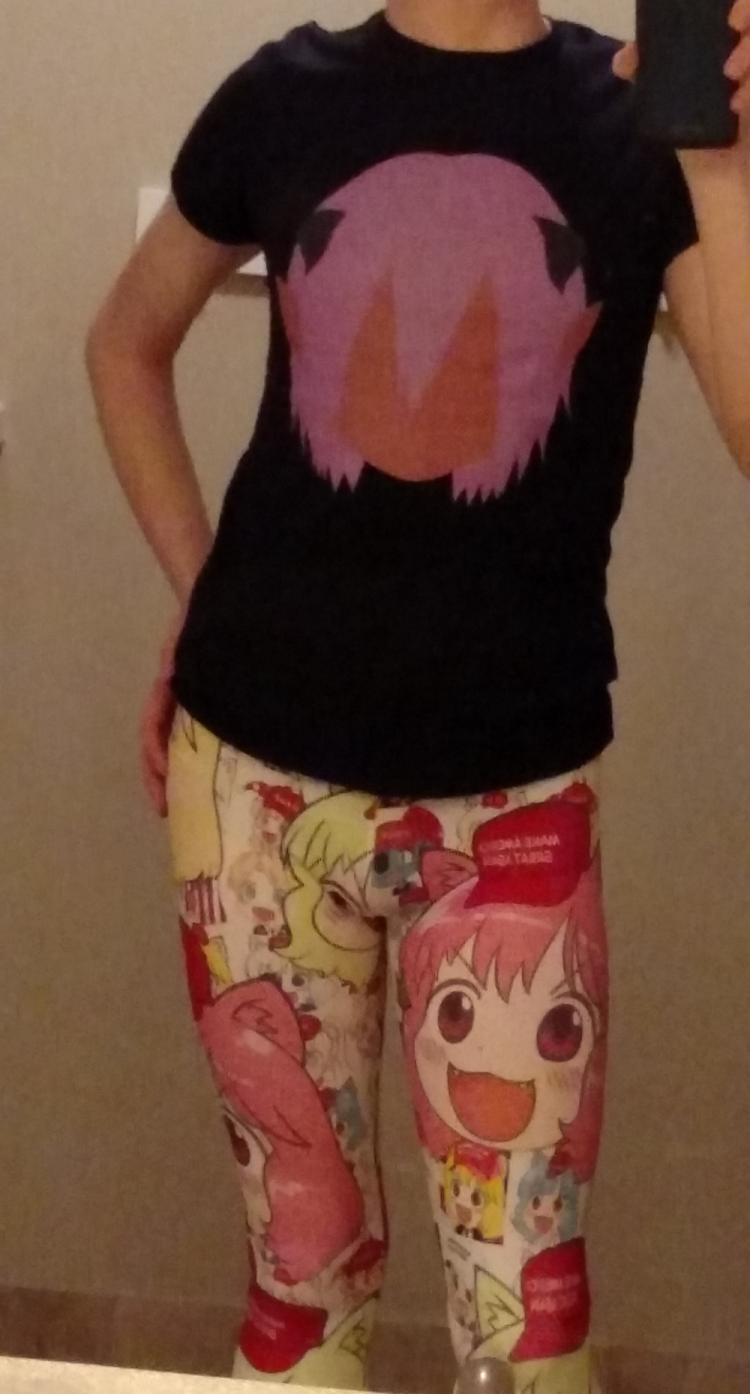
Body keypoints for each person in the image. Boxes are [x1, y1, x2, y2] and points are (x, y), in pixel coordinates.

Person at [86, 1, 750, 1388]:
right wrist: (202, 590)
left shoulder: (641, 120)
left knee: (528, 1325)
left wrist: (720, 166)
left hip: (515, 809)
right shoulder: (285, 93)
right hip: (251, 787)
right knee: (302, 1285)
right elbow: (123, 343)